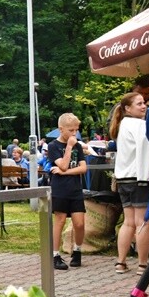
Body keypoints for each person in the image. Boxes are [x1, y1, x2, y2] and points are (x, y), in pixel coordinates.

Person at [110, 91, 149, 274]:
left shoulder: (123, 125)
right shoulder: (138, 125)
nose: (144, 105)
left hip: (123, 179)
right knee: (142, 222)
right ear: (127, 108)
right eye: (139, 104)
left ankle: (121, 262)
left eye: (144, 102)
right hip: (140, 178)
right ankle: (143, 265)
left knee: (128, 222)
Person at [48, 112, 95, 270]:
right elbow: (62, 164)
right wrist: (68, 147)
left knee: (79, 223)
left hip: (75, 189)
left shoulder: (78, 145)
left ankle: (77, 250)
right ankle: (55, 254)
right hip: (60, 189)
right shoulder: (53, 146)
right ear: (61, 129)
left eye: (76, 130)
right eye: (71, 130)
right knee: (59, 221)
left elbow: (83, 168)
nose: (74, 134)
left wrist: (65, 172)